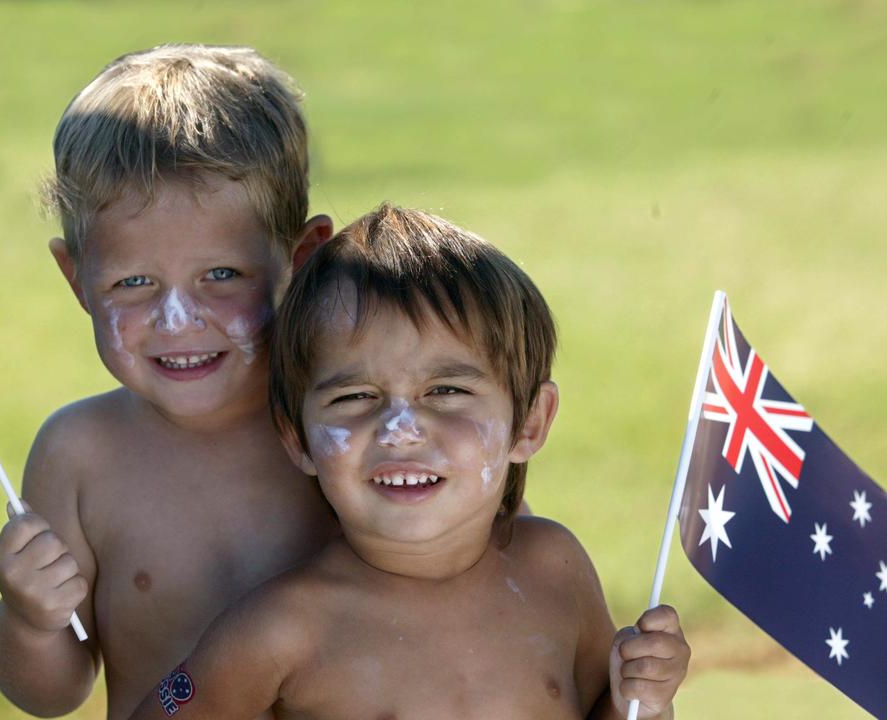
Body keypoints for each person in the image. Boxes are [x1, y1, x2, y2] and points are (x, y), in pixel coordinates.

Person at [131, 205, 691, 719]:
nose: (401, 430)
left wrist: (640, 702)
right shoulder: (283, 630)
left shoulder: (555, 570)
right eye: (355, 398)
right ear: (297, 437)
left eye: (446, 390)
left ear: (530, 423)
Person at [0, 44, 338, 719]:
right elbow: (52, 693)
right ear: (76, 280)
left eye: (221, 275)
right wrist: (28, 620)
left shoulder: (354, 424)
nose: (178, 320)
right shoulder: (80, 455)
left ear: (303, 257)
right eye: (134, 283)